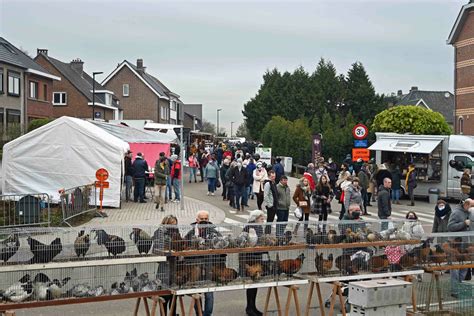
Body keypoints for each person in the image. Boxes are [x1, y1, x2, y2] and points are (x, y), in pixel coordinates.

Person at [184, 211, 222, 316]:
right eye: (202, 219)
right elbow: (184, 246)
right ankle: (199, 313)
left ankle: (207, 314)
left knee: (209, 294)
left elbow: (220, 245)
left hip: (209, 266)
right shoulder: (191, 233)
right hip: (195, 266)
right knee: (197, 293)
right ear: (197, 220)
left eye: (206, 218)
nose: (204, 221)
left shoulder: (214, 232)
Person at [239, 210, 266, 316]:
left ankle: (253, 306)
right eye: (261, 218)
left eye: (263, 218)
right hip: (249, 258)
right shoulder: (248, 227)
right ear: (255, 218)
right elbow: (244, 242)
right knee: (251, 284)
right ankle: (249, 307)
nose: (263, 220)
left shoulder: (259, 227)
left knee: (255, 284)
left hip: (257, 257)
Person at [153, 214, 180, 316]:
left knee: (173, 296)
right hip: (164, 267)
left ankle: (172, 314)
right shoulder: (159, 233)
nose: (174, 227)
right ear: (166, 223)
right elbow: (155, 250)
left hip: (174, 267)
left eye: (175, 224)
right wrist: (167, 253)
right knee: (164, 296)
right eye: (172, 224)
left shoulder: (176, 232)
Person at [447, 199, 474, 297]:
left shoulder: (470, 213)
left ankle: (459, 286)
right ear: (466, 205)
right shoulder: (456, 213)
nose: (472, 208)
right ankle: (454, 291)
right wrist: (463, 223)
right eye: (471, 206)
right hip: (455, 245)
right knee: (455, 268)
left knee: (465, 268)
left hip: (467, 245)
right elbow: (450, 226)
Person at [263, 170, 278, 235]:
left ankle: (268, 232)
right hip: (270, 205)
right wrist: (269, 205)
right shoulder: (268, 184)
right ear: (269, 176)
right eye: (272, 176)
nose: (273, 177)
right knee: (269, 220)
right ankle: (267, 233)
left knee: (271, 219)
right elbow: (265, 195)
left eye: (274, 176)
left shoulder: (274, 183)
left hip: (274, 204)